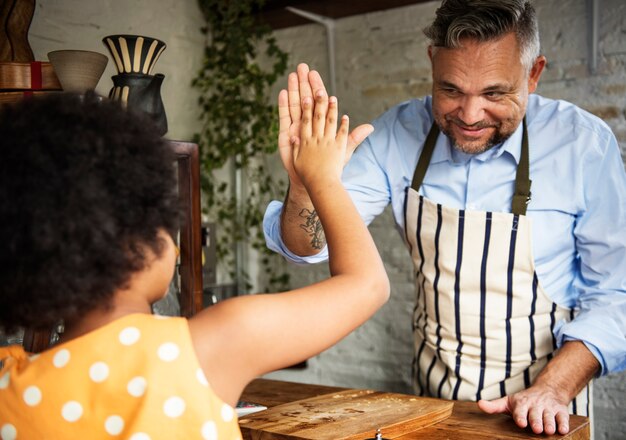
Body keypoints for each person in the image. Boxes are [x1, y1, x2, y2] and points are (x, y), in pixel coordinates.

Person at [264, 0, 626, 436]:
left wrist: (551, 389)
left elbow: (617, 296)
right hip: (431, 404)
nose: (470, 116)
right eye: (451, 90)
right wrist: (306, 183)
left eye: (494, 93)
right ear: (433, 61)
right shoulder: (398, 135)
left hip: (544, 415)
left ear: (534, 73)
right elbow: (310, 246)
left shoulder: (582, 145)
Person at [0, 92, 389, 438]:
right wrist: (321, 178)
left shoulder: (8, 386)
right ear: (142, 241)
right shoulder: (209, 347)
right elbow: (367, 284)